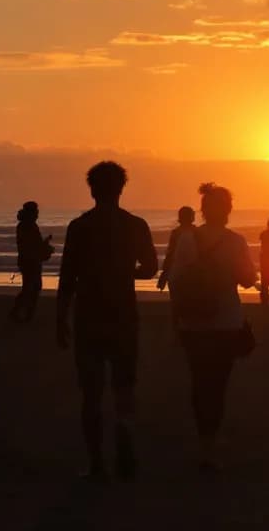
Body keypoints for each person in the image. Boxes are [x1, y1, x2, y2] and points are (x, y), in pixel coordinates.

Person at [57, 161, 158, 480]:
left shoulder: (79, 226)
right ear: (121, 189)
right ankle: (124, 432)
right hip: (124, 314)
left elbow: (67, 278)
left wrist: (61, 318)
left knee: (91, 391)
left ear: (92, 189)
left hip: (88, 315)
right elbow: (150, 268)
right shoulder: (136, 225)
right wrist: (127, 272)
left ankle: (96, 462)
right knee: (124, 386)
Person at [170, 182, 256, 470]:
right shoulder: (235, 241)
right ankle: (209, 445)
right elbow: (247, 279)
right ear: (229, 210)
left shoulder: (187, 239)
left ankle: (203, 439)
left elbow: (177, 280)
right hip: (226, 321)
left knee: (199, 382)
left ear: (203, 210)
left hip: (193, 321)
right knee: (218, 385)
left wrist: (177, 316)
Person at [8, 201, 54, 324]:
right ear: (32, 212)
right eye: (36, 211)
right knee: (32, 288)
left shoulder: (25, 225)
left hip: (28, 261)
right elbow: (32, 246)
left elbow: (32, 245)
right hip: (30, 262)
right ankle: (24, 314)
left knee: (30, 288)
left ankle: (23, 313)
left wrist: (44, 245)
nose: (38, 213)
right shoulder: (28, 226)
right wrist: (46, 246)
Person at [157, 206, 197, 322]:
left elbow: (170, 255)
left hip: (176, 273)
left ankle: (177, 328)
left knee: (176, 304)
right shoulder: (197, 232)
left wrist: (164, 275)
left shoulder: (176, 233)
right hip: (191, 275)